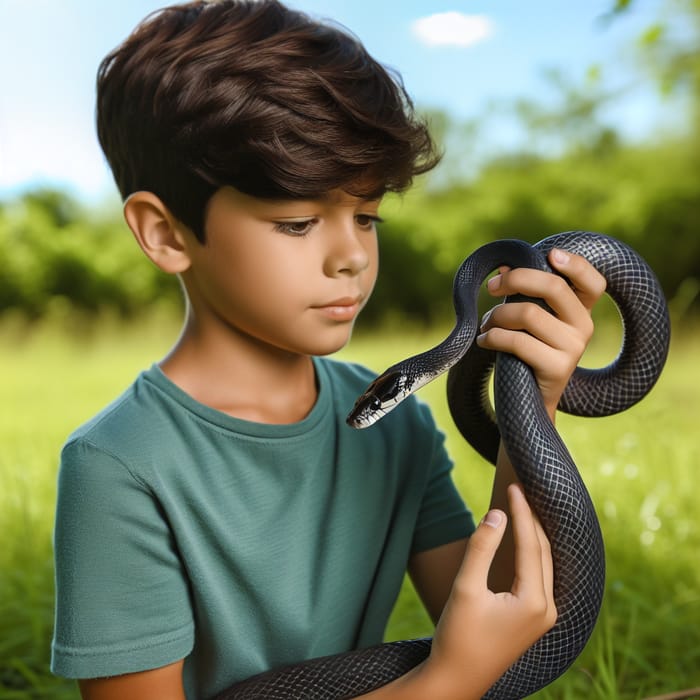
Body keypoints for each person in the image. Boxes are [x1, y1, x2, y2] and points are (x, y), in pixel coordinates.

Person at [51, 1, 607, 698]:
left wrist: (534, 393)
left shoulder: (398, 424)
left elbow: (508, 615)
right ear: (165, 233)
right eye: (297, 222)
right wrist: (449, 680)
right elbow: (472, 665)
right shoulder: (119, 466)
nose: (350, 256)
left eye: (368, 216)